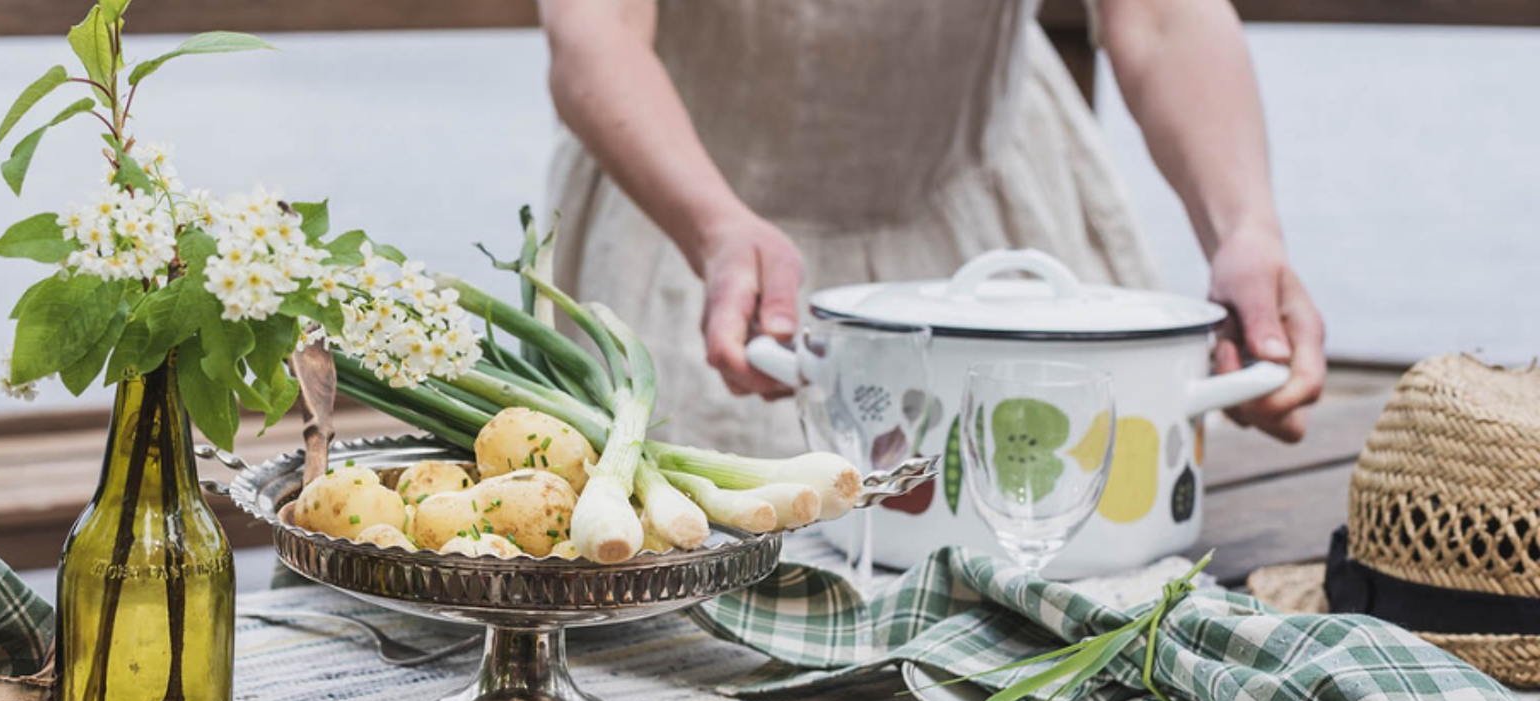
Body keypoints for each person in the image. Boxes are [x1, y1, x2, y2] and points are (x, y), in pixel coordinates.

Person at [541, 0, 1327, 455]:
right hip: (689, 233)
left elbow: (1161, 19)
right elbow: (594, 35)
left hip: (986, 232)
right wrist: (711, 225)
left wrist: (1244, 231)